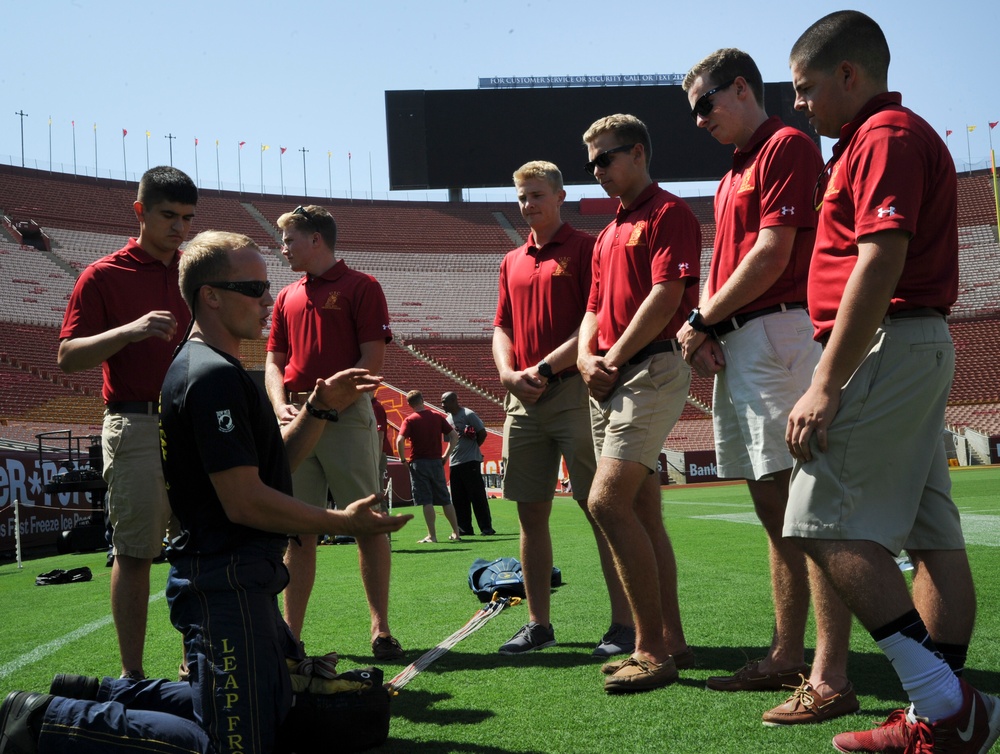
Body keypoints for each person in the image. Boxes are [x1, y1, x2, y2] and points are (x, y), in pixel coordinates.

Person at [0, 231, 412, 754]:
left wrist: (320, 409)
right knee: (232, 745)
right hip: (225, 585)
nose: (268, 299)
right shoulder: (211, 376)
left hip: (239, 578)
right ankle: (46, 720)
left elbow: (268, 470)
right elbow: (245, 501)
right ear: (210, 296)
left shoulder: (217, 368)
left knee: (273, 710)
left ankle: (94, 693)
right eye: (254, 287)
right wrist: (342, 523)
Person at [784, 11, 1000, 752]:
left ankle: (946, 705)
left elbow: (878, 261)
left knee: (820, 523)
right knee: (933, 535)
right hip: (912, 341)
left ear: (849, 75)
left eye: (806, 88)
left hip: (889, 339)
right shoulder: (875, 139)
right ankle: (940, 719)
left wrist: (825, 381)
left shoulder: (885, 137)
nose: (800, 105)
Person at [678, 48, 856, 725]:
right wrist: (712, 330)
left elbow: (773, 254)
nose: (699, 121)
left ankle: (828, 672)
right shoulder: (736, 168)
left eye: (705, 104)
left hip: (780, 332)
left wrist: (700, 320)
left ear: (742, 88)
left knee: (806, 508)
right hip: (746, 337)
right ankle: (788, 654)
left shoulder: (784, 144)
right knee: (776, 511)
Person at [57, 165, 197, 681]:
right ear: (140, 211)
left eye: (187, 218)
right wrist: (130, 330)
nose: (179, 227)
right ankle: (132, 675)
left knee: (198, 547)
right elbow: (68, 356)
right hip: (135, 424)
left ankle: (194, 663)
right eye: (168, 215)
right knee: (136, 552)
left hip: (195, 428)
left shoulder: (196, 273)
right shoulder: (102, 275)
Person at [577, 115, 699, 693]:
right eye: (591, 163)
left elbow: (668, 293)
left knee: (606, 502)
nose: (597, 171)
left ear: (639, 153)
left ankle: (649, 648)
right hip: (613, 374)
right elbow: (593, 308)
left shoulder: (668, 212)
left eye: (606, 159)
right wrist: (583, 356)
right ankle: (670, 639)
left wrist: (611, 360)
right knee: (643, 513)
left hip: (648, 368)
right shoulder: (607, 232)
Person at [492, 160, 634, 659]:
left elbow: (592, 322)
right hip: (523, 400)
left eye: (536, 194)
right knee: (530, 515)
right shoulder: (511, 261)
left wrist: (545, 370)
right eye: (521, 196)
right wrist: (510, 376)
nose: (528, 204)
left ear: (559, 196)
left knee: (601, 510)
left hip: (574, 394)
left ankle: (624, 624)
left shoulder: (587, 247)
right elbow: (501, 328)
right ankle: (538, 624)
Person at [265, 204, 402, 661]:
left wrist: (331, 401)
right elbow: (274, 360)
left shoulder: (362, 286)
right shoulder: (286, 296)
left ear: (315, 240)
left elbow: (373, 364)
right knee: (297, 531)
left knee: (367, 523)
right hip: (297, 414)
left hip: (346, 412)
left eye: (288, 239)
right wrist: (278, 400)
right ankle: (290, 636)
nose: (282, 248)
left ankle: (380, 628)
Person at [396, 390, 462, 543]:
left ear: (410, 404)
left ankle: (432, 535)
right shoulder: (436, 416)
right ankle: (456, 533)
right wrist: (446, 455)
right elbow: (454, 436)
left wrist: (402, 459)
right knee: (445, 499)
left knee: (426, 501)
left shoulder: (410, 420)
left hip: (419, 463)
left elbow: (399, 440)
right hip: (436, 462)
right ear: (422, 400)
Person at [441, 391, 494, 536]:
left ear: (454, 400)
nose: (442, 405)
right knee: (458, 498)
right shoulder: (447, 420)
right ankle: (464, 528)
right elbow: (449, 442)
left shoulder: (468, 414)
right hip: (455, 462)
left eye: (445, 401)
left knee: (477, 496)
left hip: (470, 461)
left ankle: (486, 527)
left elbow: (482, 432)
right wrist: (446, 457)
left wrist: (474, 446)